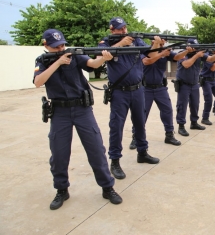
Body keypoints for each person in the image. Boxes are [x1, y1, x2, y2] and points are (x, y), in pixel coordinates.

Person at [33, 29, 122, 210]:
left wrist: (104, 58)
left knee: (96, 149)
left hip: (82, 109)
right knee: (59, 154)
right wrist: (58, 63)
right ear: (46, 45)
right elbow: (38, 82)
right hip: (59, 112)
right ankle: (61, 189)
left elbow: (93, 63)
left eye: (63, 45)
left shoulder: (74, 55)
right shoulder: (42, 61)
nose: (61, 49)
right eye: (56, 47)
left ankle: (107, 187)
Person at [98, 17, 165, 180]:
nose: (123, 31)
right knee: (116, 126)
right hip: (119, 92)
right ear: (112, 30)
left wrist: (156, 44)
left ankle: (142, 152)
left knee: (140, 123)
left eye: (124, 28)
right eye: (119, 29)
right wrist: (121, 44)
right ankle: (115, 161)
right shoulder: (106, 42)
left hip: (138, 90)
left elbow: (150, 54)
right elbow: (98, 54)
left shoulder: (136, 41)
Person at [129, 38, 185, 149]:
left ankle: (169, 135)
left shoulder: (165, 51)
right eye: (160, 41)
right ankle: (136, 137)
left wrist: (187, 51)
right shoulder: (145, 51)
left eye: (163, 41)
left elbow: (178, 57)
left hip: (160, 88)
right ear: (153, 42)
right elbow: (147, 61)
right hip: (146, 89)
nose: (163, 42)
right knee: (141, 114)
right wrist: (162, 54)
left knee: (167, 110)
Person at [175, 38, 215, 136]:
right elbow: (186, 64)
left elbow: (210, 59)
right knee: (182, 106)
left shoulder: (199, 54)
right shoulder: (182, 54)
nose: (196, 49)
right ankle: (181, 126)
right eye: (194, 47)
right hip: (184, 85)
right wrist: (197, 55)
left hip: (195, 84)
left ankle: (194, 123)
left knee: (195, 104)